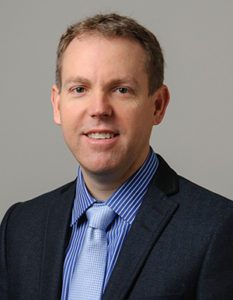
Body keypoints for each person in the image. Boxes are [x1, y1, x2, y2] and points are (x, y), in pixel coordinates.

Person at [1, 13, 233, 300]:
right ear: (57, 104)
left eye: (121, 89)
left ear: (158, 105)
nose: (99, 109)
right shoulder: (21, 227)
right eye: (80, 89)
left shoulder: (218, 228)